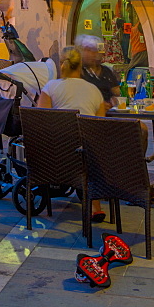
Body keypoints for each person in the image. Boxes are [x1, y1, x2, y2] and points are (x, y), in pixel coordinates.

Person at [36, 46, 107, 221]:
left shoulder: (51, 87)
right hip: (87, 156)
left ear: (61, 64)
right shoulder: (94, 90)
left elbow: (40, 120)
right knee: (90, 147)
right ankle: (94, 205)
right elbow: (99, 127)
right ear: (80, 65)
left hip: (57, 153)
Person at [75, 35, 120, 107]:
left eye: (95, 51)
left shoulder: (106, 71)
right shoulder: (78, 72)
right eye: (88, 50)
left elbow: (117, 92)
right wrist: (99, 105)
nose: (92, 54)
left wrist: (114, 99)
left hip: (108, 112)